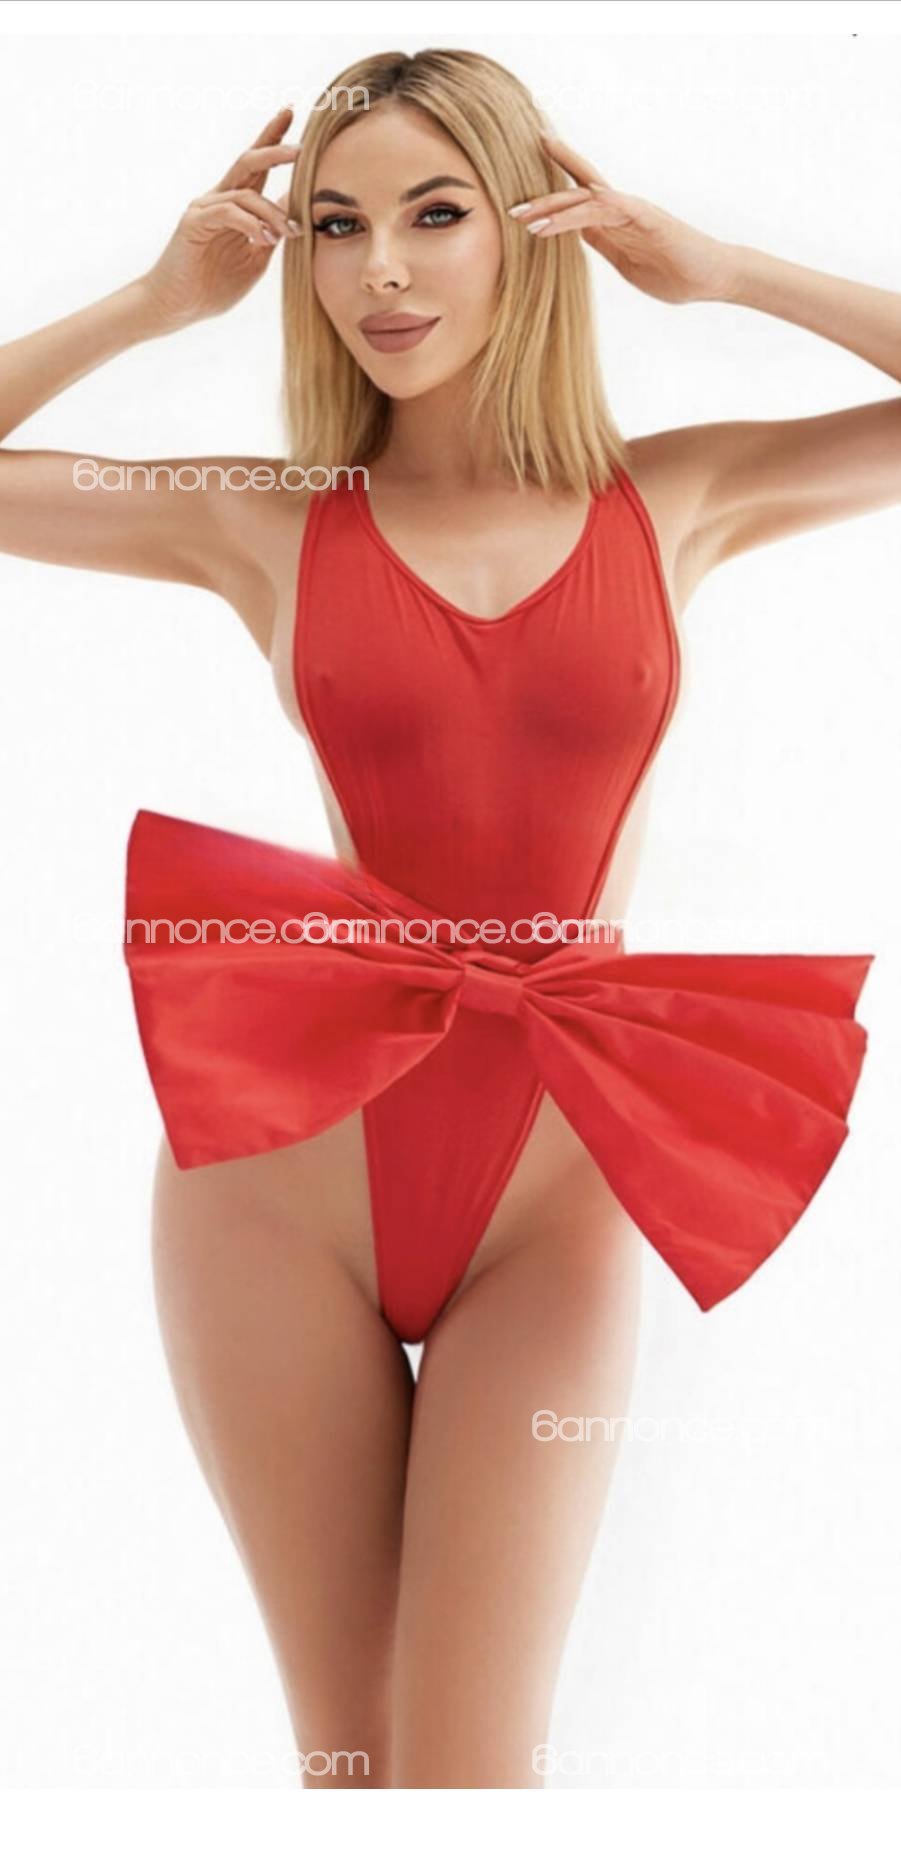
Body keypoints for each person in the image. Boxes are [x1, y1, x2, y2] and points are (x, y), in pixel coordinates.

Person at [0, 47, 895, 1791]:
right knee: (349, 1770)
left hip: (556, 1183)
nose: (382, 272)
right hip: (284, 1179)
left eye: (434, 213)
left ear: (529, 231)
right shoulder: (265, 518)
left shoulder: (674, 499)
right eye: (336, 226)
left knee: (472, 1776)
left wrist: (723, 271)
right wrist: (152, 302)